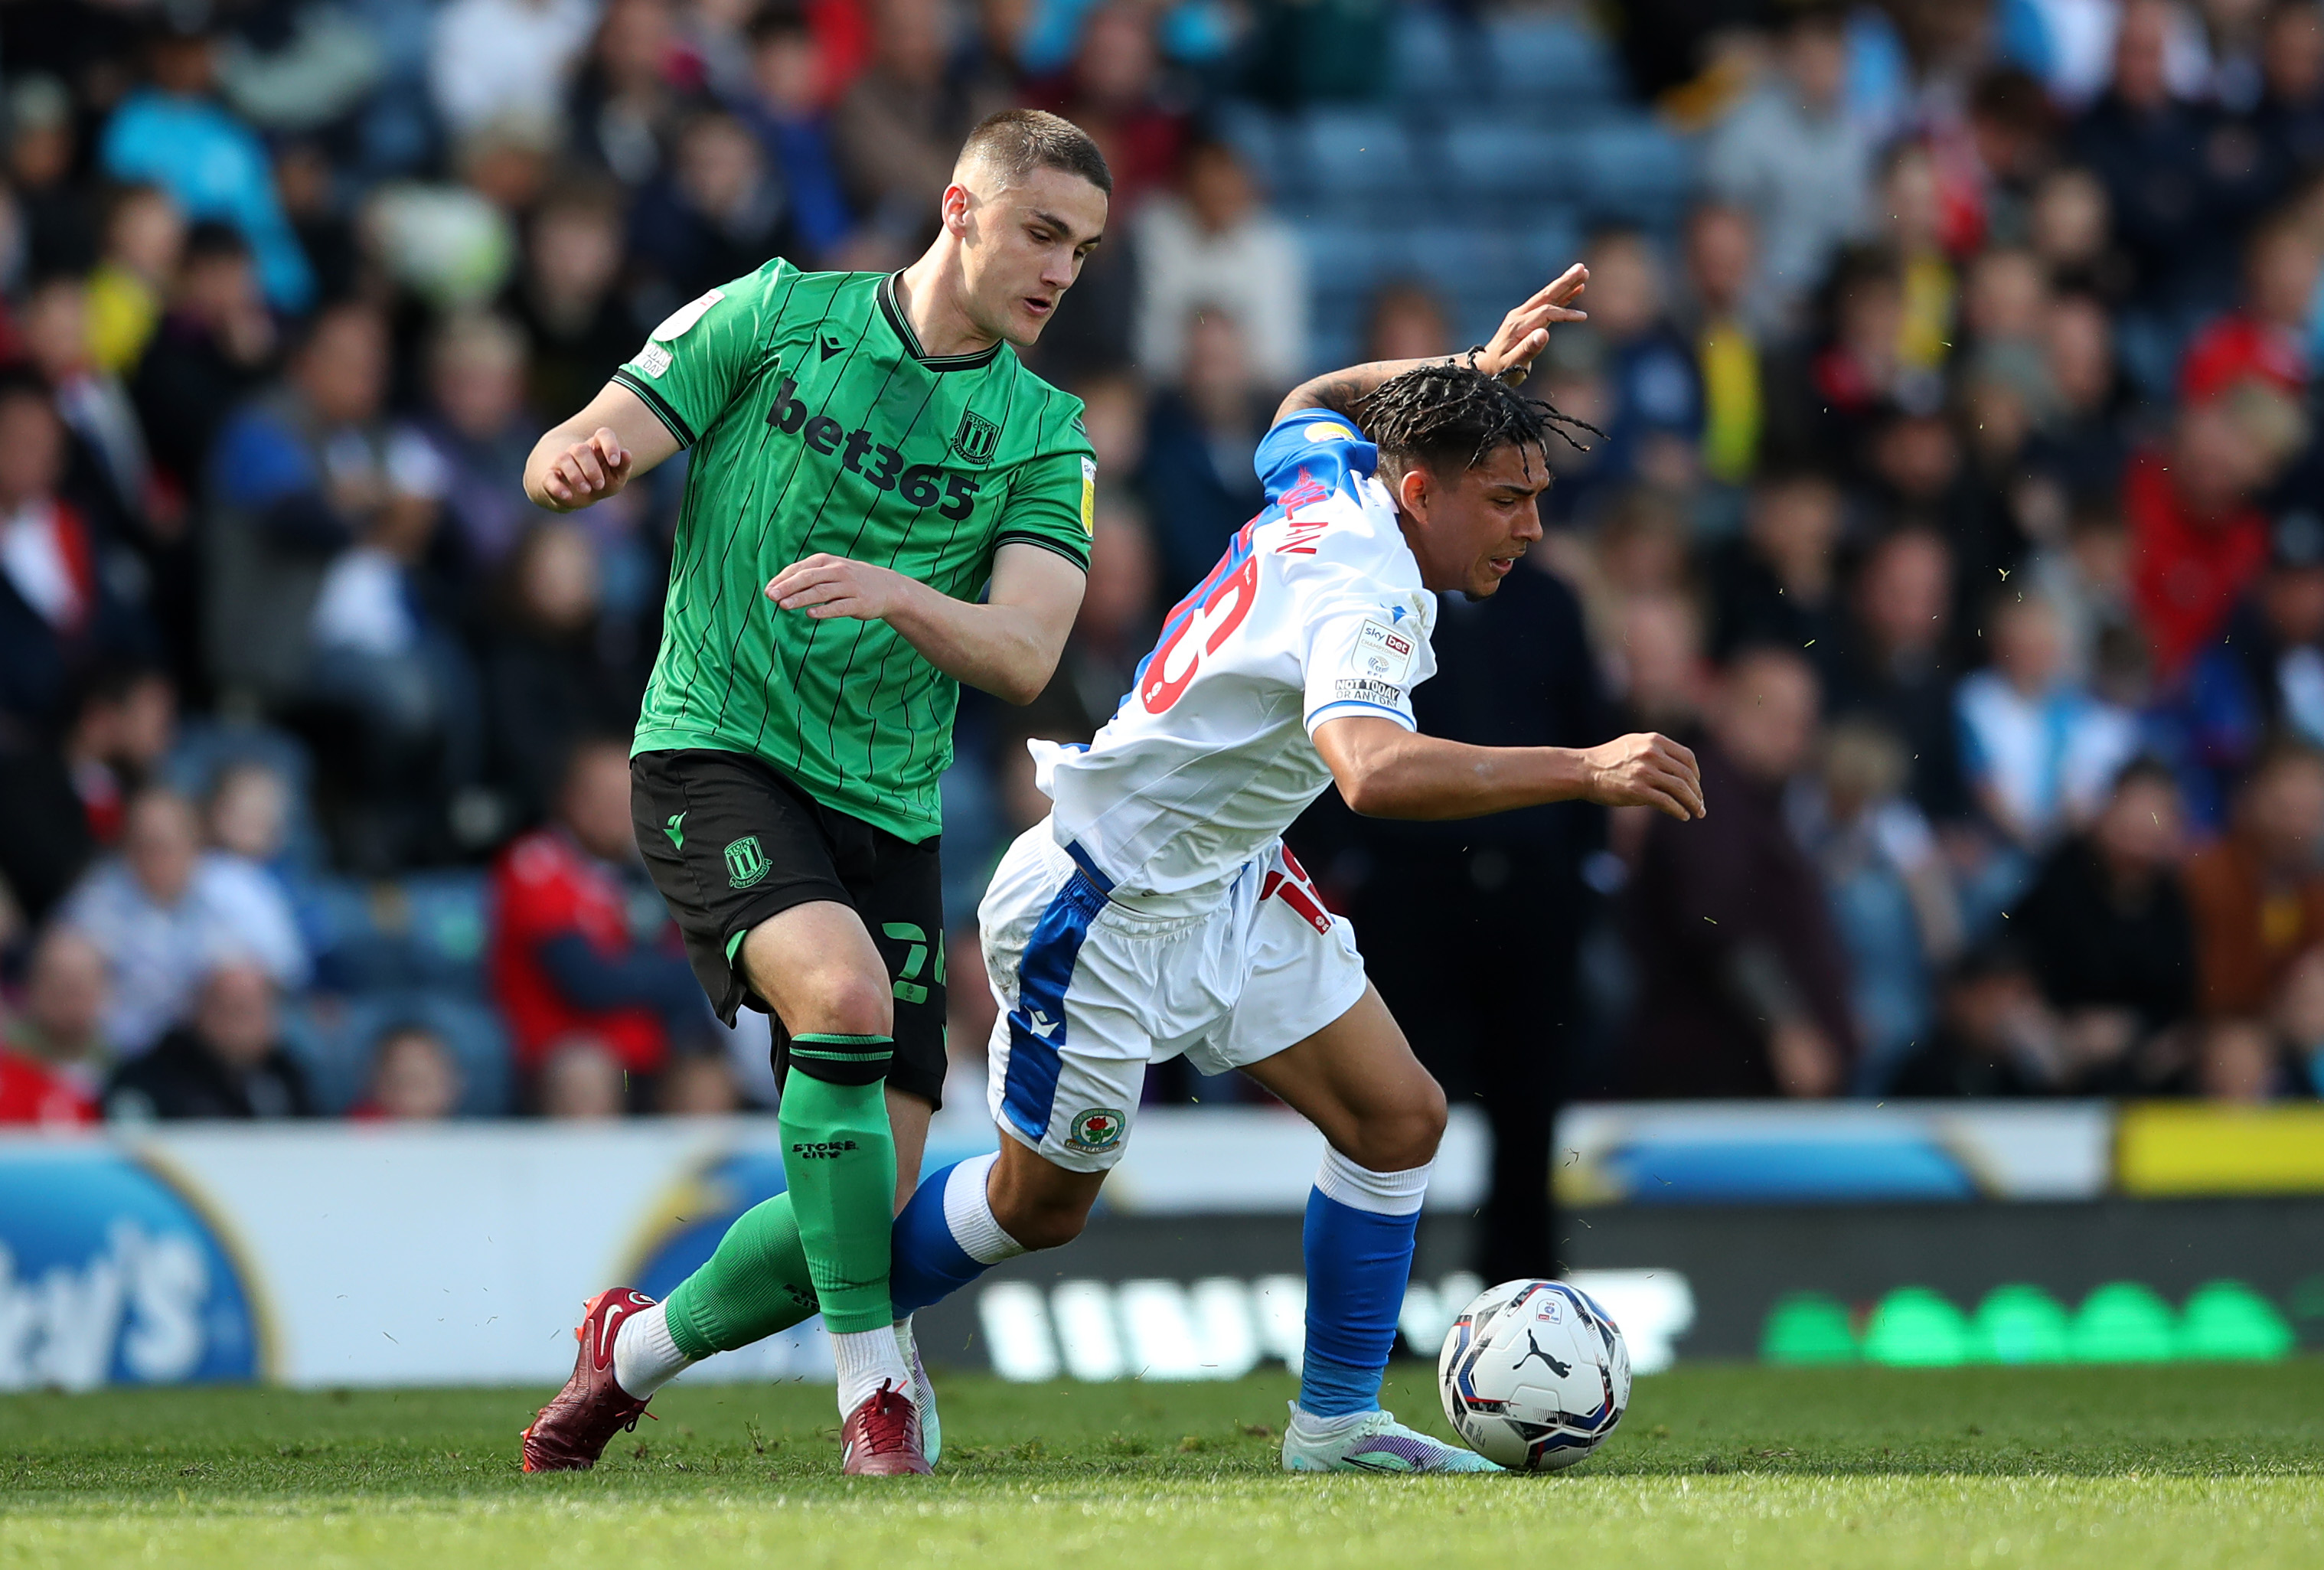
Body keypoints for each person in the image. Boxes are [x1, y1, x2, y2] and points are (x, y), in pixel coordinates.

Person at [544, 273, 1702, 1474]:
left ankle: (1339, 1421)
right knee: (1035, 1206)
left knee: (1398, 1115)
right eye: (1509, 500)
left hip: (1228, 878)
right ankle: (644, 1346)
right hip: (1100, 905)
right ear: (1423, 490)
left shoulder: (1339, 478)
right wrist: (1588, 764)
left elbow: (1304, 401)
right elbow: (1372, 769)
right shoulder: (1364, 592)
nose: (1531, 527)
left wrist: (1463, 372)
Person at [517, 110, 1111, 1477]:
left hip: (888, 808)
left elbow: (1025, 653)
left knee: (864, 1198)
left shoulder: (1042, 436)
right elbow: (589, 434)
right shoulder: (775, 313)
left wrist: (897, 591)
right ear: (958, 208)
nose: (1059, 270)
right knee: (841, 1005)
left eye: (1079, 250)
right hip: (713, 748)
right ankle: (875, 1391)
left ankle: (635, 1350)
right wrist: (573, 465)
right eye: (1039, 232)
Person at [101, 959, 314, 1121]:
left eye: (246, 1010)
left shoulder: (287, 1075)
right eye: (225, 1008)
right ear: (198, 1010)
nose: (236, 1024)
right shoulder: (154, 1077)